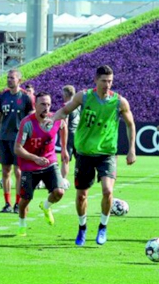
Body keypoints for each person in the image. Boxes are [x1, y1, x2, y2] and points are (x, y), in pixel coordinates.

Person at [52, 65, 137, 246]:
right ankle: (82, 228)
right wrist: (51, 120)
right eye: (104, 81)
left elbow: (130, 124)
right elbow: (65, 111)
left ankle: (103, 226)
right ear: (95, 81)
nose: (107, 85)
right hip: (84, 153)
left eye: (110, 81)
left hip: (107, 153)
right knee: (82, 195)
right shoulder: (84, 96)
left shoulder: (119, 102)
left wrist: (132, 149)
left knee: (108, 190)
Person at [14, 92, 69, 236]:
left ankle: (46, 206)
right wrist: (34, 158)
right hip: (29, 166)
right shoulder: (27, 123)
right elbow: (17, 148)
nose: (47, 107)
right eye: (43, 104)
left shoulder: (55, 118)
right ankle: (22, 224)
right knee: (25, 199)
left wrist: (64, 149)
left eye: (49, 104)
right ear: (35, 105)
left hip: (50, 162)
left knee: (59, 192)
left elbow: (63, 125)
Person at [0, 69, 34, 214]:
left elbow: (32, 118)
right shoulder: (3, 97)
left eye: (12, 78)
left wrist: (31, 137)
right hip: (4, 139)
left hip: (19, 140)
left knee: (18, 172)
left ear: (19, 80)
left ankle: (18, 203)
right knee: (5, 172)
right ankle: (7, 203)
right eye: (8, 78)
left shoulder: (26, 98)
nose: (9, 80)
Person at [61, 85, 80, 187]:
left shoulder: (67, 105)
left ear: (66, 94)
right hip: (78, 135)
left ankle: (62, 180)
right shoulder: (79, 105)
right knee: (80, 159)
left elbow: (65, 123)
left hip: (69, 135)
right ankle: (80, 178)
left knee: (65, 158)